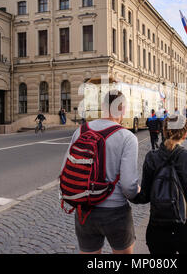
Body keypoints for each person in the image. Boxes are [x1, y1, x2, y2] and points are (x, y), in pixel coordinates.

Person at [60, 90, 140, 254]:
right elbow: (128, 187)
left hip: (85, 210)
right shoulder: (127, 137)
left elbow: (64, 170)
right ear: (123, 109)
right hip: (116, 211)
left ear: (103, 107)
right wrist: (137, 190)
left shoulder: (81, 131)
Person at [131, 114, 187, 254]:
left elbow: (144, 197)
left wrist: (130, 191)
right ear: (184, 134)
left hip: (157, 229)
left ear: (164, 131)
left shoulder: (151, 157)